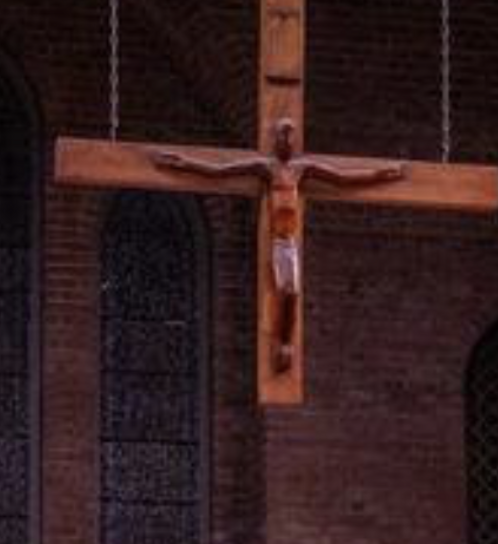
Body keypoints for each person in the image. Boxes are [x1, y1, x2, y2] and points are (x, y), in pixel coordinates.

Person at [153, 118, 405, 372]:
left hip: (290, 241)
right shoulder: (265, 168)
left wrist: (379, 174)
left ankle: (285, 342)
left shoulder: (302, 169)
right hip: (278, 241)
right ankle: (284, 343)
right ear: (275, 140)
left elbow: (342, 178)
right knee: (287, 292)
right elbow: (221, 170)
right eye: (283, 135)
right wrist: (184, 164)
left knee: (292, 293)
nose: (287, 140)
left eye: (291, 136)